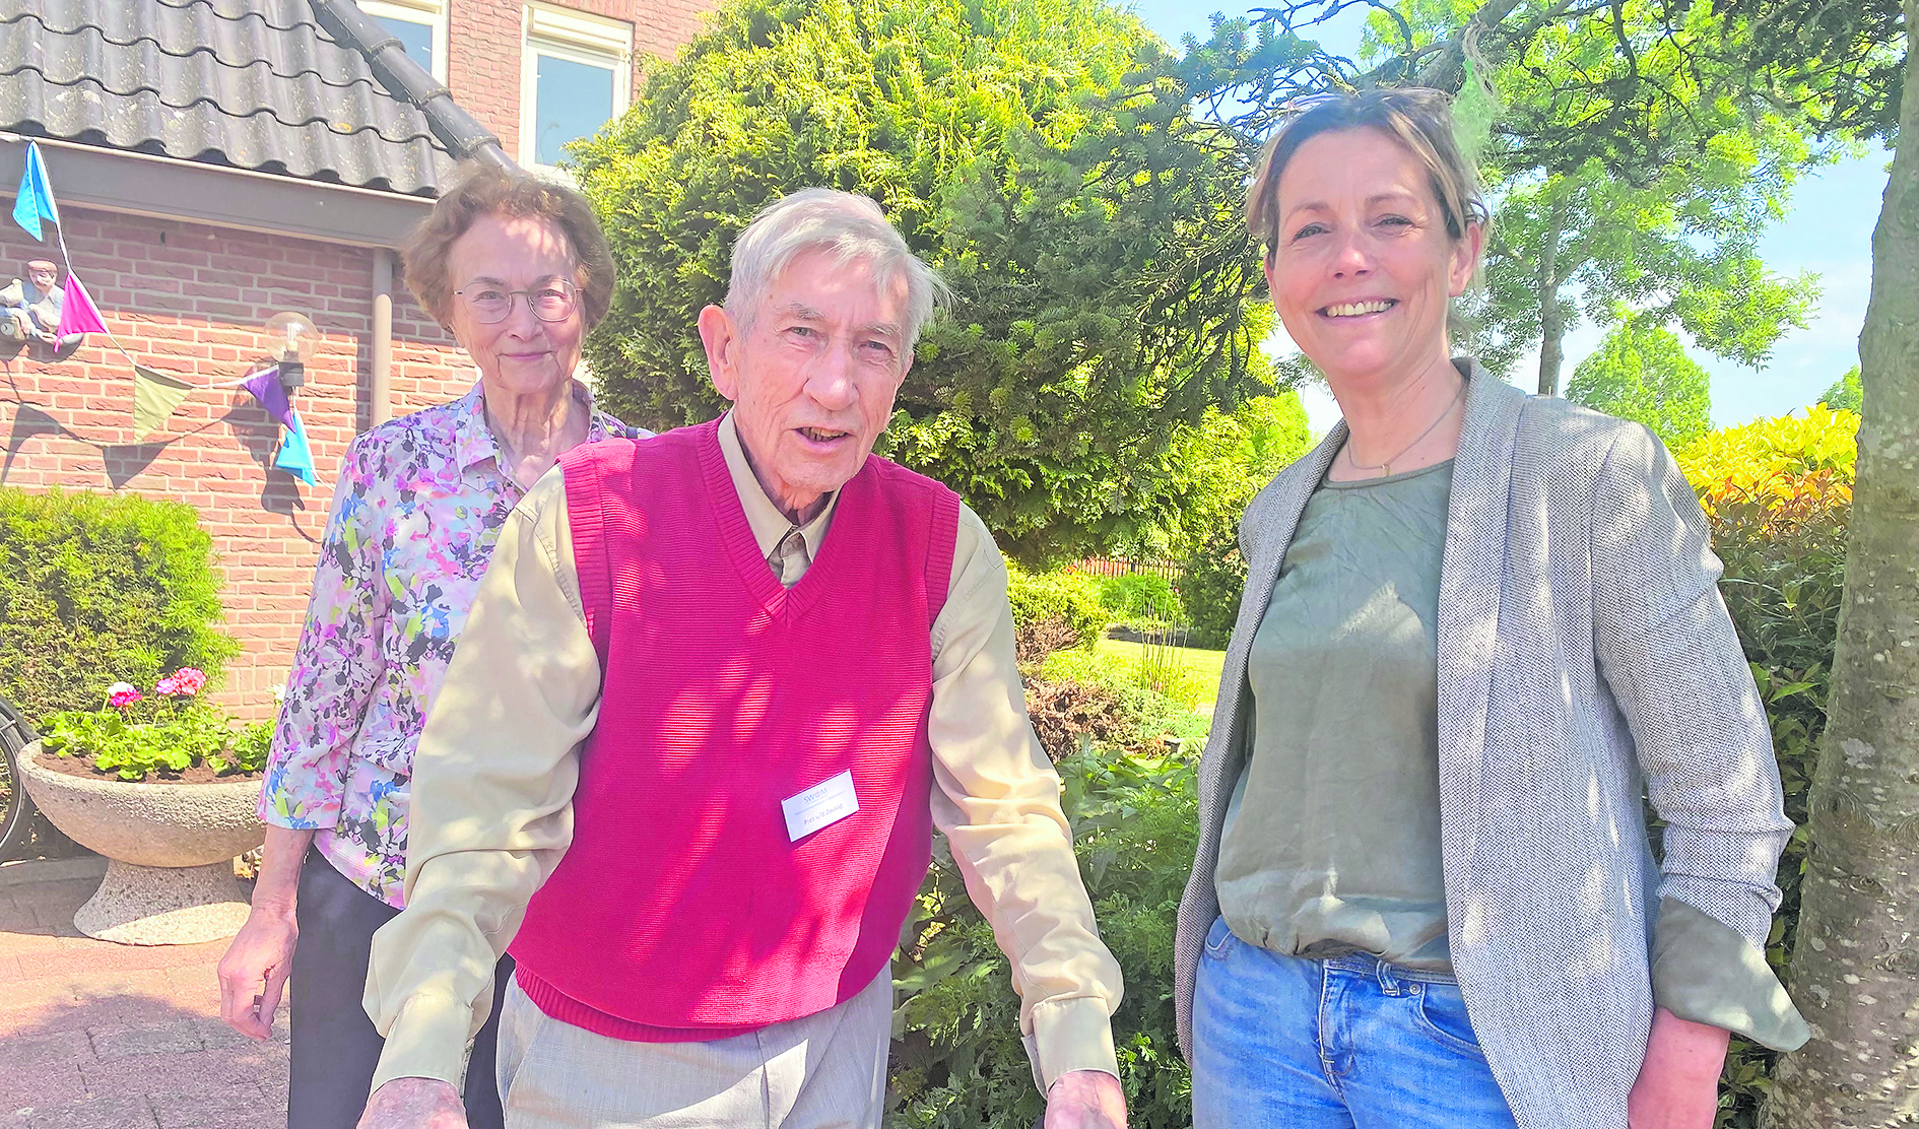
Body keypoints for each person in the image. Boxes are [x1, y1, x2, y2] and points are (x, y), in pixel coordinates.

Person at [353, 188, 1128, 1129]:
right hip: (605, 1060)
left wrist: (1077, 1046)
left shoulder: (939, 545)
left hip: (836, 1040)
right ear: (724, 349)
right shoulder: (588, 519)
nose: (836, 386)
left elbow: (1005, 808)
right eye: (801, 333)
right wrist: (422, 1059)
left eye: (872, 347)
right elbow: (486, 813)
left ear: (901, 372)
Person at [1171, 88, 1810, 1129]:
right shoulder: (1276, 506)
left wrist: (1685, 1057)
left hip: (1476, 1050)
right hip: (1256, 1018)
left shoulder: (1588, 475)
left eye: (1390, 219)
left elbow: (1724, 804)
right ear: (1275, 274)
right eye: (1310, 230)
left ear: (1462, 251)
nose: (1348, 257)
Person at [216, 161, 640, 1129]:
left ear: (588, 301)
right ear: (448, 309)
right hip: (380, 880)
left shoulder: (643, 480)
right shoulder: (388, 469)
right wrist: (270, 907)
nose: (522, 321)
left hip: (562, 897)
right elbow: (325, 689)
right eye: (489, 294)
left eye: (547, 292)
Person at [0, 258, 85, 359]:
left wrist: (62, 340)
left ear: (53, 277)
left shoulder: (64, 297)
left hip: (51, 353)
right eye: (33, 276)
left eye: (43, 276)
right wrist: (15, 312)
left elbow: (79, 324)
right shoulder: (20, 289)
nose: (38, 280)